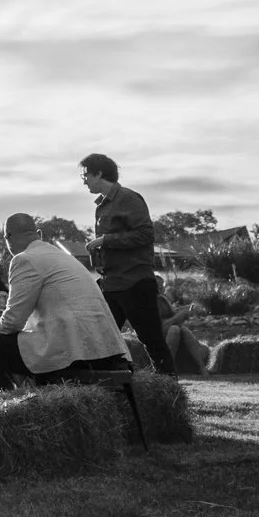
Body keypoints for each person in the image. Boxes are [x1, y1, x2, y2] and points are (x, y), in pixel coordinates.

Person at [0, 212, 132, 393]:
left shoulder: (24, 259)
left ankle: (5, 411)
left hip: (74, 350)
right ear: (38, 234)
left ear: (9, 238)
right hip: (107, 348)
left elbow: (14, 321)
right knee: (13, 347)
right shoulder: (63, 257)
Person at [81, 153, 176, 375]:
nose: (83, 180)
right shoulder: (101, 206)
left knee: (151, 338)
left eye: (85, 175)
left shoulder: (128, 198)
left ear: (99, 173)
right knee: (102, 338)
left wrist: (105, 240)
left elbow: (145, 234)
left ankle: (169, 388)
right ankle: (114, 384)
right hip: (112, 283)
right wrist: (101, 261)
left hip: (135, 282)